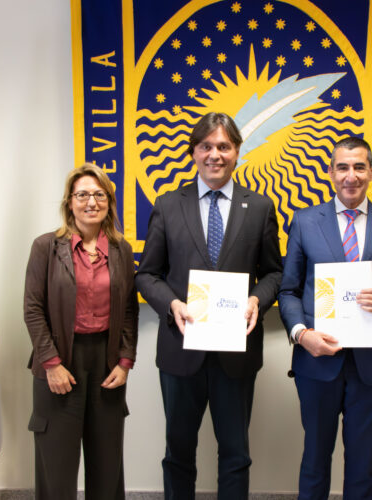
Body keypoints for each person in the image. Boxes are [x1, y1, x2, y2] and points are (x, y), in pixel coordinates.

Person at [136, 112, 282, 499]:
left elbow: (274, 273)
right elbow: (146, 275)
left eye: (224, 146)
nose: (215, 154)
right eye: (206, 146)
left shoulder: (262, 207)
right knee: (178, 454)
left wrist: (257, 298)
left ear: (237, 152)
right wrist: (172, 304)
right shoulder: (168, 205)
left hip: (236, 354)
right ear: (193, 152)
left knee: (236, 455)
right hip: (181, 350)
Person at [278, 137, 372, 500]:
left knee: (361, 463)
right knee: (314, 459)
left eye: (359, 167)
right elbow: (288, 290)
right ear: (330, 173)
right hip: (316, 361)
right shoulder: (306, 222)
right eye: (342, 167)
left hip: (370, 366)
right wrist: (300, 333)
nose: (350, 176)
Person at [24, 163, 138, 500]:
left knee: (107, 465)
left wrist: (125, 361)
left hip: (106, 364)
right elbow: (33, 308)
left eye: (99, 194)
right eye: (83, 194)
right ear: (69, 202)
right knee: (56, 467)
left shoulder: (122, 250)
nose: (91, 201)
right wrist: (51, 363)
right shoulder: (45, 247)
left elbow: (130, 310)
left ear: (109, 202)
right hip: (60, 362)